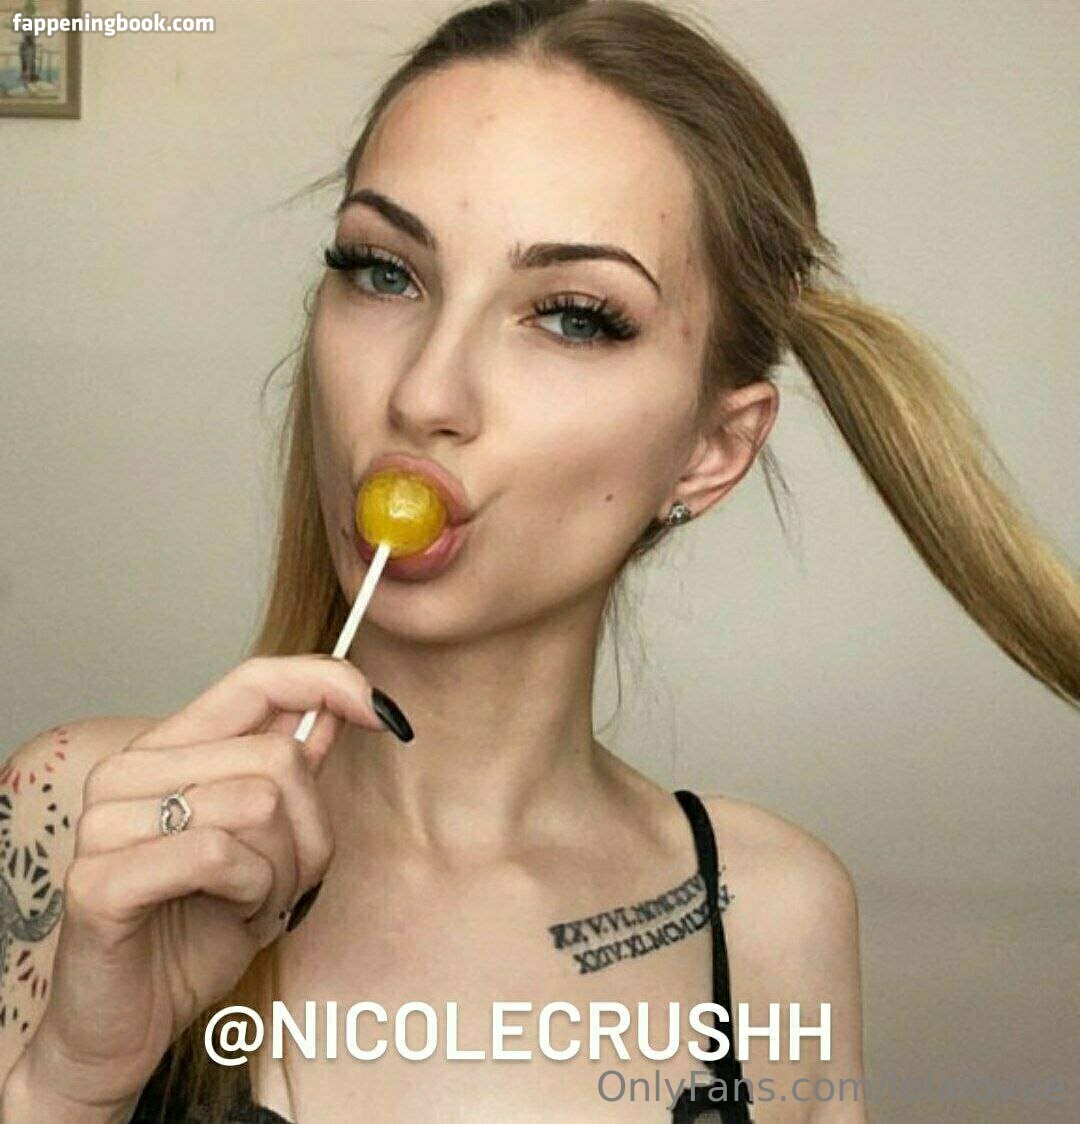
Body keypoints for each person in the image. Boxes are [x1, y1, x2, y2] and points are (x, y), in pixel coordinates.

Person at [1, 1, 1076, 1121]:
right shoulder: (86, 815)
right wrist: (70, 1083)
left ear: (712, 451)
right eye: (383, 271)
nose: (425, 392)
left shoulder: (769, 914)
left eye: (571, 317)